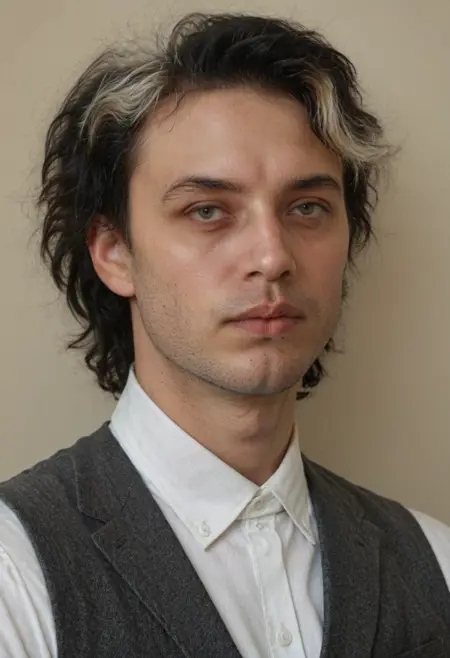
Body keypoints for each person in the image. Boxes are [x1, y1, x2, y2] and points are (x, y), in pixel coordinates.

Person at [0, 11, 449, 658]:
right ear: (114, 252)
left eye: (307, 207)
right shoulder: (16, 575)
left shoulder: (436, 563)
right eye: (207, 210)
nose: (272, 256)